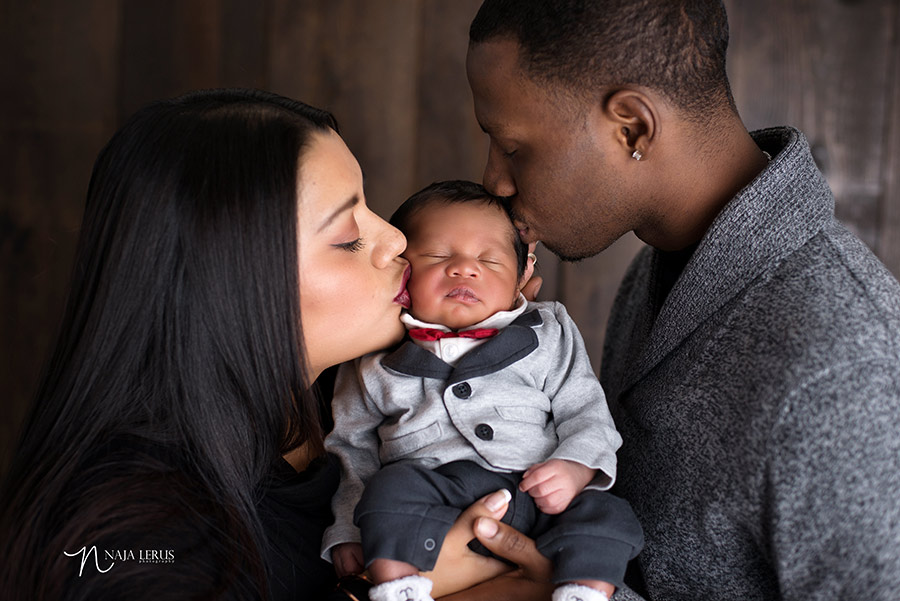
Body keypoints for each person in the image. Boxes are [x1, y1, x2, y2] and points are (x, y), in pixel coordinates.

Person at [0, 89, 557, 601]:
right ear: (234, 280)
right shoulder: (121, 536)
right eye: (347, 238)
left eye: (370, 206)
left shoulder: (356, 399)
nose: (396, 240)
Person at [466, 1, 900, 600]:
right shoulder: (658, 266)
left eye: (512, 147)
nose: (495, 180)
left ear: (633, 129)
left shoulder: (843, 366)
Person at [322, 180, 643, 601]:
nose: (463, 268)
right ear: (401, 271)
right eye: (438, 256)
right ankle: (399, 584)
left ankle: (584, 588)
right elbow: (352, 448)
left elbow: (584, 411)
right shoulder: (373, 359)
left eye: (489, 260)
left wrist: (576, 467)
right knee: (387, 491)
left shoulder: (548, 332)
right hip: (430, 499)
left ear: (521, 276)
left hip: (541, 493)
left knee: (610, 515)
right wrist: (347, 527)